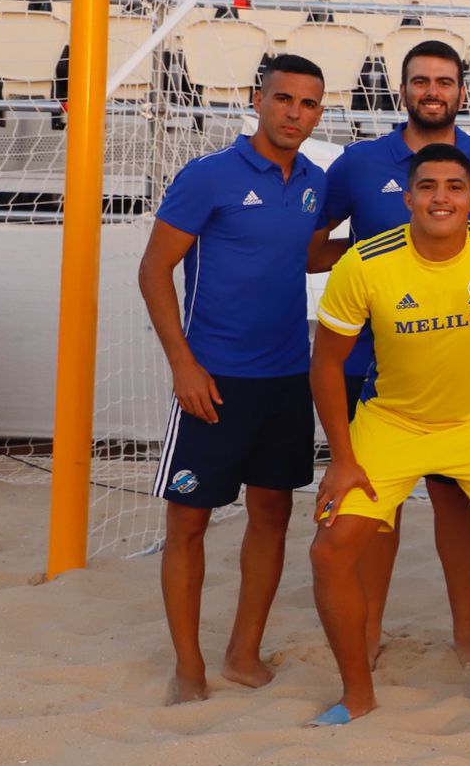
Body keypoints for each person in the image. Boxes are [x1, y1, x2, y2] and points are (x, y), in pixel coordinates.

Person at [308, 144, 470, 727]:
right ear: (408, 196)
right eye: (427, 187)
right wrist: (341, 459)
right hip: (392, 421)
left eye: (453, 186)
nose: (440, 197)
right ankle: (357, 694)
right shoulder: (366, 262)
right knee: (329, 553)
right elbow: (324, 365)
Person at [308, 39, 470, 668]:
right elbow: (310, 246)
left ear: (463, 91)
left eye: (444, 81)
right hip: (371, 367)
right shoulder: (358, 164)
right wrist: (373, 263)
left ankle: (465, 630)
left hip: (464, 367)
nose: (432, 91)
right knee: (376, 505)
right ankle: (371, 629)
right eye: (420, 81)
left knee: (456, 499)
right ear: (402, 89)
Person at [139, 55, 328, 704]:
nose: (293, 113)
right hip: (214, 378)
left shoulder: (314, 181)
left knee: (272, 512)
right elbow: (153, 269)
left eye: (307, 103)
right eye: (283, 99)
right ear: (258, 98)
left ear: (319, 112)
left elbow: (303, 252)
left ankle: (243, 655)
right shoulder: (209, 176)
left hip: (285, 378)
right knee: (188, 521)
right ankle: (188, 669)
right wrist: (183, 364)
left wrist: (384, 240)